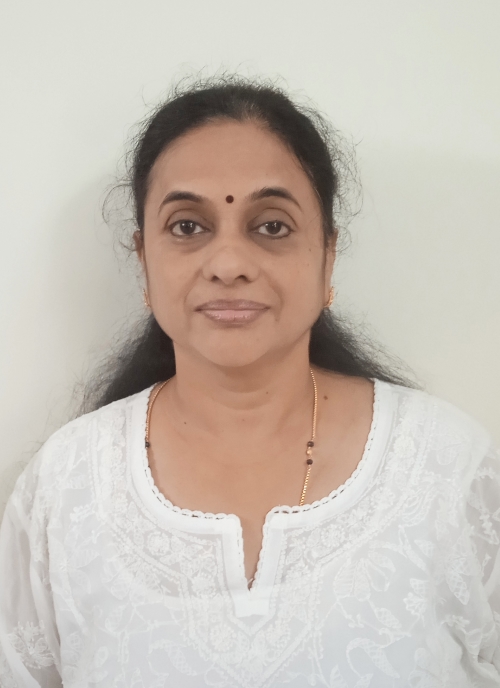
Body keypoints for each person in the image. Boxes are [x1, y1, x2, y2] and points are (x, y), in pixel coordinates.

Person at [0, 76, 499, 688]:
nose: (230, 264)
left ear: (328, 257)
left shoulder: (448, 469)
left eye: (272, 226)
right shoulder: (66, 489)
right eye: (188, 227)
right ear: (144, 260)